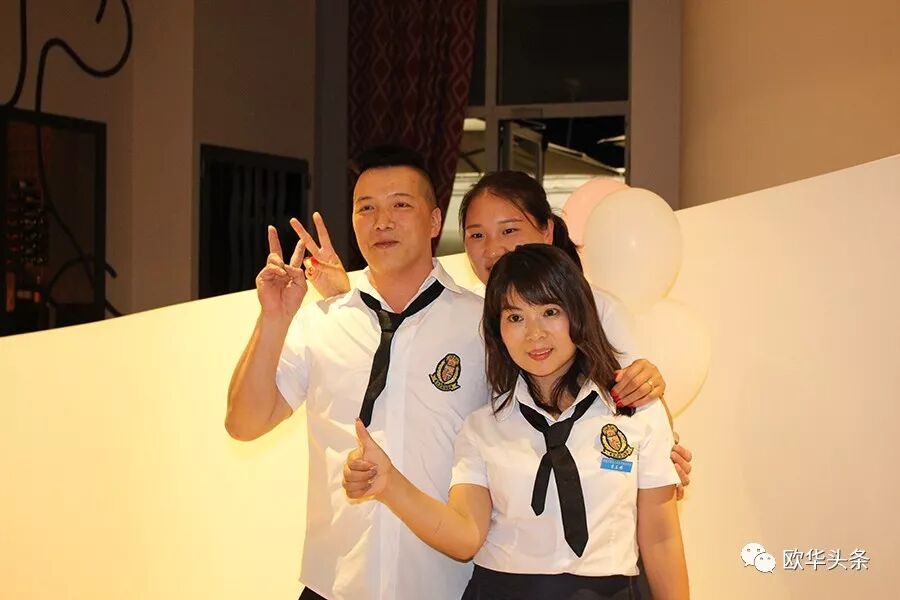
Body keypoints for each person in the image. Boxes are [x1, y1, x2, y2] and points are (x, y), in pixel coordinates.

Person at [299, 169, 692, 486]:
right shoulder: (469, 311)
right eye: (477, 235)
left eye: (509, 230)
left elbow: (640, 413)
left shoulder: (598, 309)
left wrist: (658, 450)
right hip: (504, 511)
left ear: (546, 231)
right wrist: (343, 298)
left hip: (593, 509)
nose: (492, 249)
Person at [342, 244, 690, 599]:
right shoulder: (483, 427)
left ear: (578, 314)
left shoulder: (637, 412)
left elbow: (661, 538)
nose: (534, 334)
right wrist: (390, 484)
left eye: (550, 312)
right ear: (498, 330)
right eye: (515, 318)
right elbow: (465, 537)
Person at [226, 146, 490, 599]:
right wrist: (273, 319)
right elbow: (244, 423)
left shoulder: (483, 324)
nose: (381, 221)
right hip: (334, 586)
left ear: (433, 221)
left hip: (446, 585)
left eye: (400, 205)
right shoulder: (322, 321)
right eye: (366, 208)